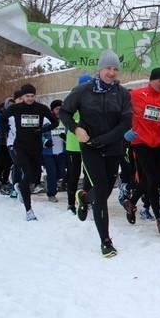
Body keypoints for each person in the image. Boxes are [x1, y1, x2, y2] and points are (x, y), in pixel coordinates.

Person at [59, 50, 132, 257]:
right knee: (100, 192)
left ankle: (84, 197)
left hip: (113, 147)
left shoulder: (122, 94)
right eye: (108, 68)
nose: (112, 72)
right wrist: (76, 129)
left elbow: (126, 122)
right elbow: (64, 112)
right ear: (100, 69)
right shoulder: (83, 91)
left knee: (105, 190)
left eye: (115, 69)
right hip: (90, 147)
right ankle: (106, 241)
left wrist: (106, 139)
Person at [122, 67, 160, 233]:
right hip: (140, 141)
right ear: (151, 80)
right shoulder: (137, 94)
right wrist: (125, 131)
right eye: (159, 81)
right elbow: (120, 111)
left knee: (153, 179)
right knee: (153, 179)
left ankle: (131, 203)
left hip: (159, 143)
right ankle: (159, 220)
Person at [0, 84, 58, 220]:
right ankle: (29, 210)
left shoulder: (41, 108)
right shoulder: (15, 108)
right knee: (27, 175)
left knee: (34, 177)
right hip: (20, 147)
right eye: (27, 96)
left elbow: (55, 122)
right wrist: (5, 129)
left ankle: (20, 186)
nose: (30, 98)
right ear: (23, 96)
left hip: (36, 148)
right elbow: (2, 119)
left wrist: (41, 130)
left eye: (32, 96)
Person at [65, 74, 93, 214]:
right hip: (74, 145)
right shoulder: (72, 99)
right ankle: (71, 203)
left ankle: (86, 200)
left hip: (89, 144)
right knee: (74, 175)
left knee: (89, 175)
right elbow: (65, 118)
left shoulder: (95, 100)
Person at [41, 99, 67, 203]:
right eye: (57, 109)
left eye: (61, 108)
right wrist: (45, 141)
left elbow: (69, 133)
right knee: (52, 172)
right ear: (52, 110)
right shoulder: (46, 121)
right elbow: (39, 134)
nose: (59, 111)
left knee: (61, 172)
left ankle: (50, 182)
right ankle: (51, 193)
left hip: (61, 151)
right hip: (48, 152)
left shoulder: (65, 120)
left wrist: (66, 138)